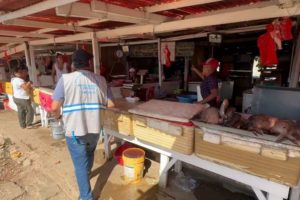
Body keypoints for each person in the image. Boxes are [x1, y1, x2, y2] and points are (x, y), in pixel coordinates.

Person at [51, 49, 114, 200]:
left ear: (73, 64)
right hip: (94, 128)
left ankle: (86, 197)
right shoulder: (101, 80)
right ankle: (86, 174)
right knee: (89, 152)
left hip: (74, 130)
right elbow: (111, 104)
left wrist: (59, 115)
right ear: (89, 64)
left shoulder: (65, 80)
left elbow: (54, 107)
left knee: (79, 164)